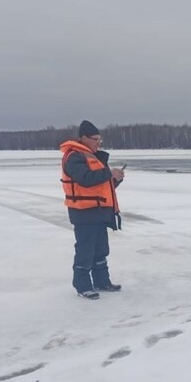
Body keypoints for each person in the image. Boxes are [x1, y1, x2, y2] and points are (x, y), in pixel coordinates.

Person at [59, 120, 125, 300]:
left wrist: (115, 180)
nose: (98, 143)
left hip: (99, 212)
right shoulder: (74, 157)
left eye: (100, 140)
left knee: (100, 250)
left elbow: (101, 186)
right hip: (84, 213)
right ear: (84, 138)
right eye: (95, 139)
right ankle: (82, 286)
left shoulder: (93, 156)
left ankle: (102, 282)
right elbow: (85, 179)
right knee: (85, 251)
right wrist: (109, 173)